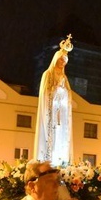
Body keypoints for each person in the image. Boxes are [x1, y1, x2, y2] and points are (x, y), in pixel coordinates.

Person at [35, 35, 74, 165]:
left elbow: (68, 94)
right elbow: (46, 93)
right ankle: (48, 160)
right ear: (56, 59)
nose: (62, 62)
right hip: (51, 111)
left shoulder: (64, 78)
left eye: (65, 60)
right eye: (61, 59)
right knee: (52, 136)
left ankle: (61, 160)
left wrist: (63, 93)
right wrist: (56, 90)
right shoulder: (48, 74)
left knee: (61, 135)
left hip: (61, 112)